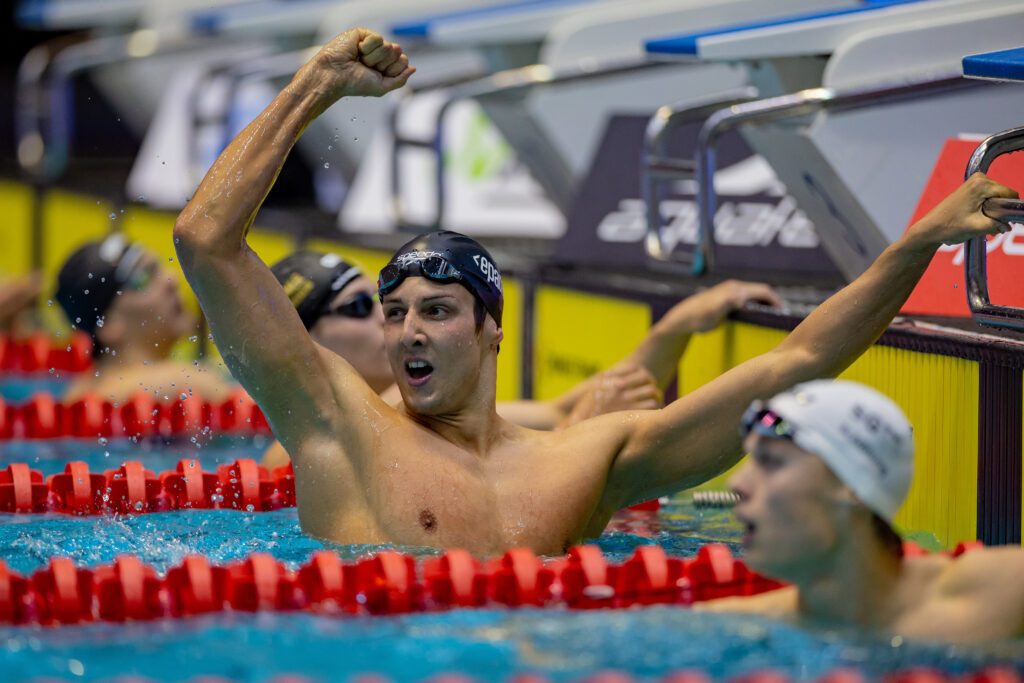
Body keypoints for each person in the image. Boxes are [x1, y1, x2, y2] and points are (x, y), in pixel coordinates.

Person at [172, 27, 1019, 554]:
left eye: (436, 310)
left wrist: (916, 242)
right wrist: (315, 85)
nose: (405, 333)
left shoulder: (585, 459)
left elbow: (792, 363)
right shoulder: (340, 424)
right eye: (394, 315)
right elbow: (205, 239)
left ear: (492, 330)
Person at [261, 248, 781, 468]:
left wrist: (679, 326)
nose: (394, 324)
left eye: (384, 306)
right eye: (360, 308)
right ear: (308, 342)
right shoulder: (309, 444)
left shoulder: (415, 403)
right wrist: (585, 440)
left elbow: (564, 410)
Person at [700, 380, 1024, 645]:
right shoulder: (731, 627)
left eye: (771, 461)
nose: (737, 483)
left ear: (852, 486)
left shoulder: (1001, 594)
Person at [56, 234, 237, 403]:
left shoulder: (78, 392)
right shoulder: (185, 382)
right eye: (144, 279)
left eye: (159, 268)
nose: (171, 280)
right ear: (110, 325)